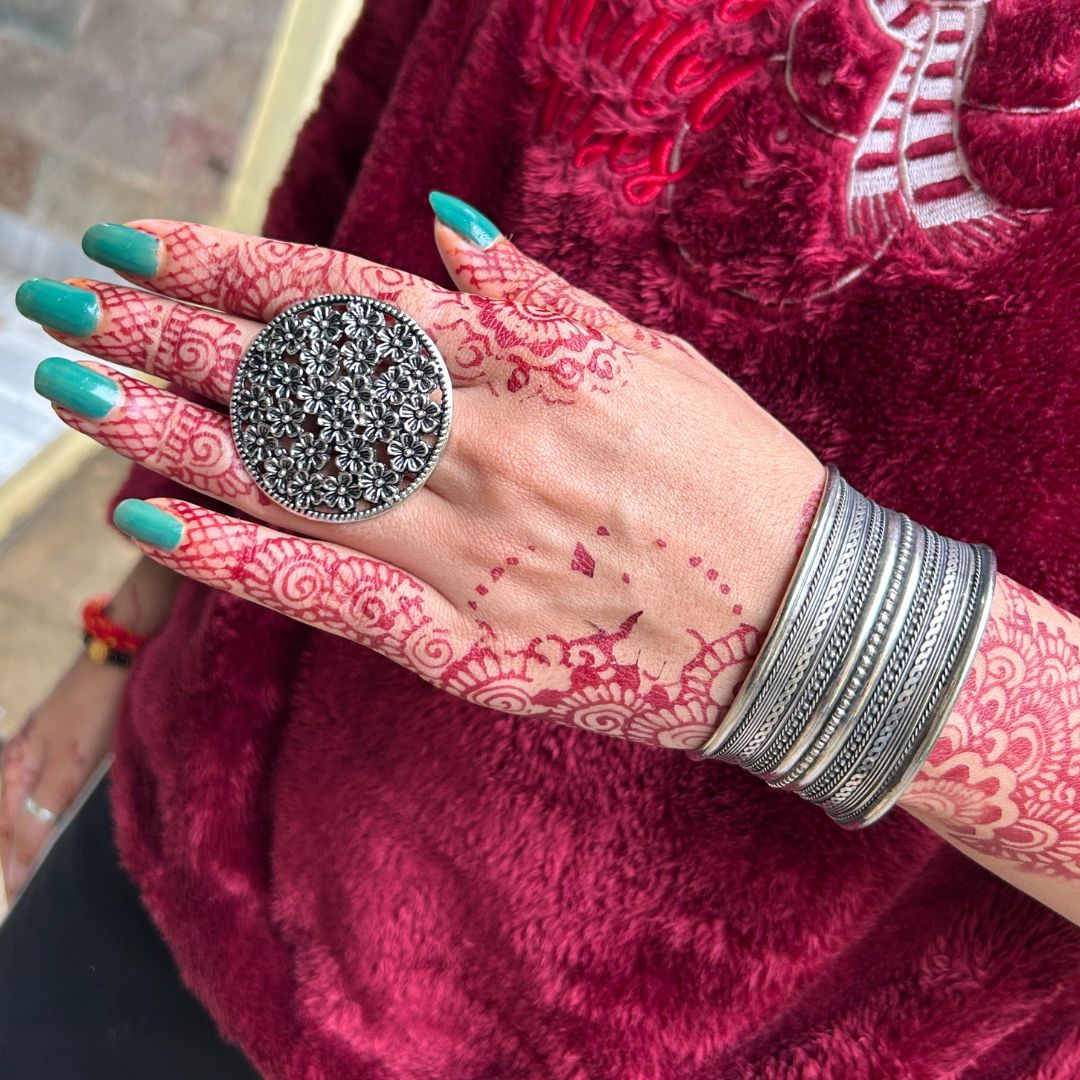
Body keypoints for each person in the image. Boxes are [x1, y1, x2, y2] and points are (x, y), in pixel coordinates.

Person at [3, 0, 1080, 1076]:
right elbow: (374, 137)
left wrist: (816, 614)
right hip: (204, 819)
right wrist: (125, 629)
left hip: (772, 1031)